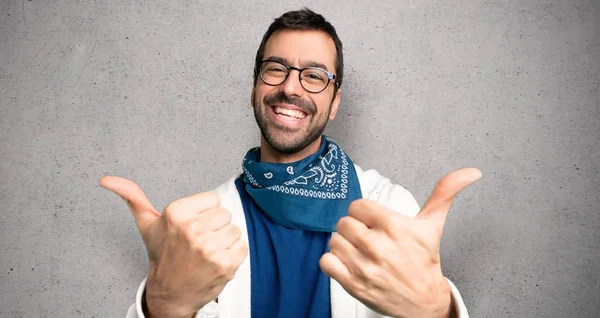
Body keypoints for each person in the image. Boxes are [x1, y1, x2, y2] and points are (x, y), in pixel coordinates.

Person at [100, 8, 481, 318]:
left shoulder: (390, 209)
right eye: (276, 69)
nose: (291, 87)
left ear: (335, 103)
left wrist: (438, 312)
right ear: (254, 88)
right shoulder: (202, 225)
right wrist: (162, 306)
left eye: (314, 76)